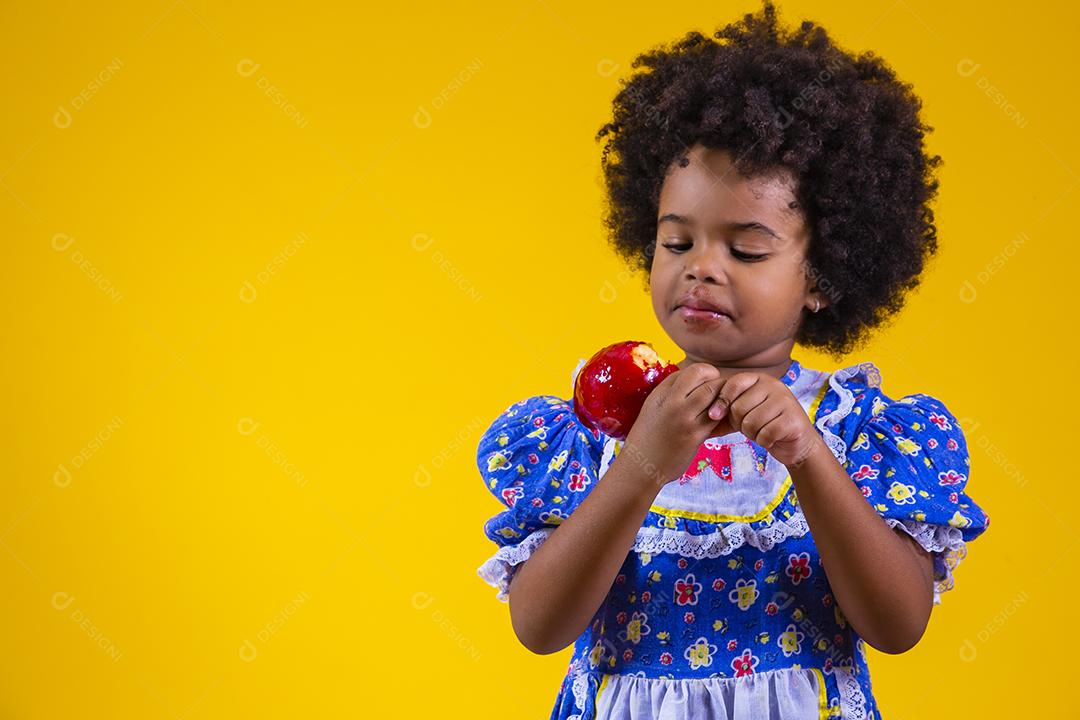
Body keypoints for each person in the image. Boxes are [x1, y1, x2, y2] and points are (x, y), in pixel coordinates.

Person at [475, 2, 989, 717]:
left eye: (746, 249)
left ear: (823, 277)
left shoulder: (856, 430)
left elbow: (898, 626)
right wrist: (643, 463)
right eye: (677, 243)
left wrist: (809, 455)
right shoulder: (592, 430)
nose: (701, 269)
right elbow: (538, 626)